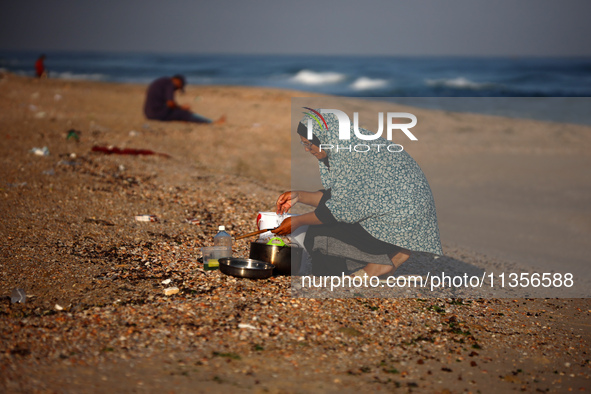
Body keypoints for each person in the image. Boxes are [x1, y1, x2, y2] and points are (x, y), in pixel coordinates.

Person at [273, 111, 442, 278]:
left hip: (400, 222)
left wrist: (297, 221)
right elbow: (342, 198)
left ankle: (376, 265)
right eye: (304, 144)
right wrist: (299, 196)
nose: (307, 149)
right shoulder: (352, 145)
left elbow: (337, 210)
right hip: (411, 218)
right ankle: (391, 254)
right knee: (329, 229)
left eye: (309, 143)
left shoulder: (349, 156)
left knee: (318, 236)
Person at [143, 75, 225, 124]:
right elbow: (170, 104)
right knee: (184, 113)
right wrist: (181, 108)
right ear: (178, 82)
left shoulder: (161, 81)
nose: (176, 89)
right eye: (178, 88)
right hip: (157, 114)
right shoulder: (170, 84)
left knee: (180, 114)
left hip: (148, 113)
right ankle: (211, 122)